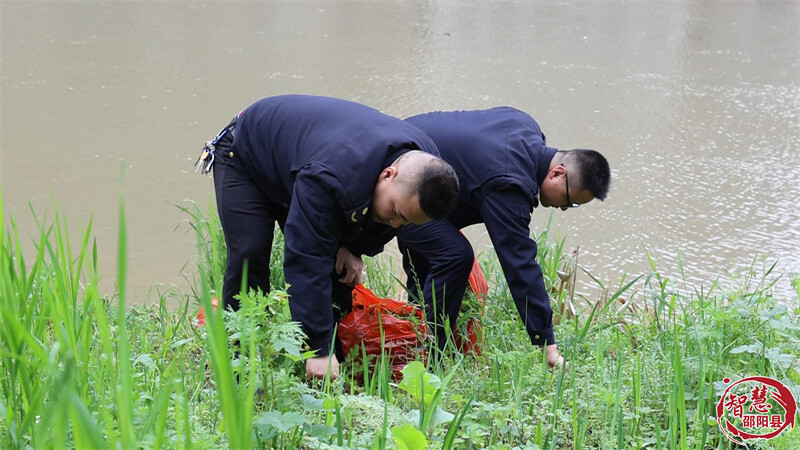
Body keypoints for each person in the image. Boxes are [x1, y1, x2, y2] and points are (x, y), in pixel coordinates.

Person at [202, 95, 460, 379]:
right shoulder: (331, 177)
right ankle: (241, 367)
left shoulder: (426, 165)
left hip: (303, 162)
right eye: (396, 211)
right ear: (389, 174)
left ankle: (330, 368)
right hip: (246, 157)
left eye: (406, 220)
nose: (396, 224)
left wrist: (353, 247)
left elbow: (378, 222)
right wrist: (319, 349)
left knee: (339, 268)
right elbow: (306, 258)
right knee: (250, 257)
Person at [397, 107, 611, 368]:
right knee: (455, 255)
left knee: (438, 256)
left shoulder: (525, 126)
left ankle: (411, 346)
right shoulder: (510, 182)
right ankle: (429, 359)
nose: (564, 208)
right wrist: (547, 343)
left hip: (403, 154)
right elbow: (520, 265)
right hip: (399, 184)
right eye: (569, 200)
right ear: (558, 174)